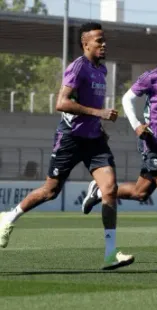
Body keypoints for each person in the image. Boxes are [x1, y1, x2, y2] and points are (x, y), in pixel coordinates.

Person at [0, 22, 134, 270]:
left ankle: (110, 253)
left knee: (110, 189)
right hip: (70, 138)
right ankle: (9, 217)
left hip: (93, 140)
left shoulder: (101, 70)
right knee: (51, 191)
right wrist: (99, 113)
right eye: (99, 41)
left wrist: (100, 127)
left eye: (105, 41)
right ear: (86, 44)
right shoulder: (78, 67)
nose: (104, 45)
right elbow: (61, 103)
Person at [81, 33, 157, 265]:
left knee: (141, 192)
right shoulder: (153, 77)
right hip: (151, 141)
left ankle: (99, 192)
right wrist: (137, 125)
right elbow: (127, 99)